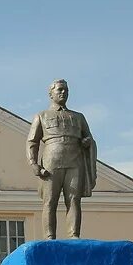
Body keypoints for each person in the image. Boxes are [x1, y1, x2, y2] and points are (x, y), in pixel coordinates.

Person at [26, 79, 97, 239]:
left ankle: (74, 235)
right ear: (51, 94)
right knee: (50, 200)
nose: (63, 92)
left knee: (73, 199)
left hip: (74, 161)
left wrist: (87, 143)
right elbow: (32, 141)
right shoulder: (42, 116)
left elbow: (89, 138)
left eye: (66, 90)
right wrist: (33, 163)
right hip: (52, 161)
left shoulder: (78, 117)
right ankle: (49, 236)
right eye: (59, 90)